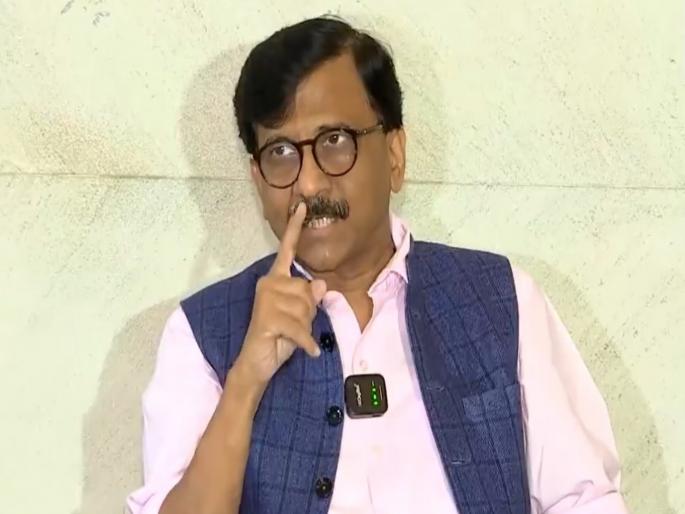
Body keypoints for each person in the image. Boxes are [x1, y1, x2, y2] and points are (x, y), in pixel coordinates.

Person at [126, 16, 629, 514]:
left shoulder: (501, 299)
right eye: (281, 152)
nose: (308, 184)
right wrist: (245, 382)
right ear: (258, 180)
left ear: (394, 155)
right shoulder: (202, 333)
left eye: (334, 141)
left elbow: (585, 500)